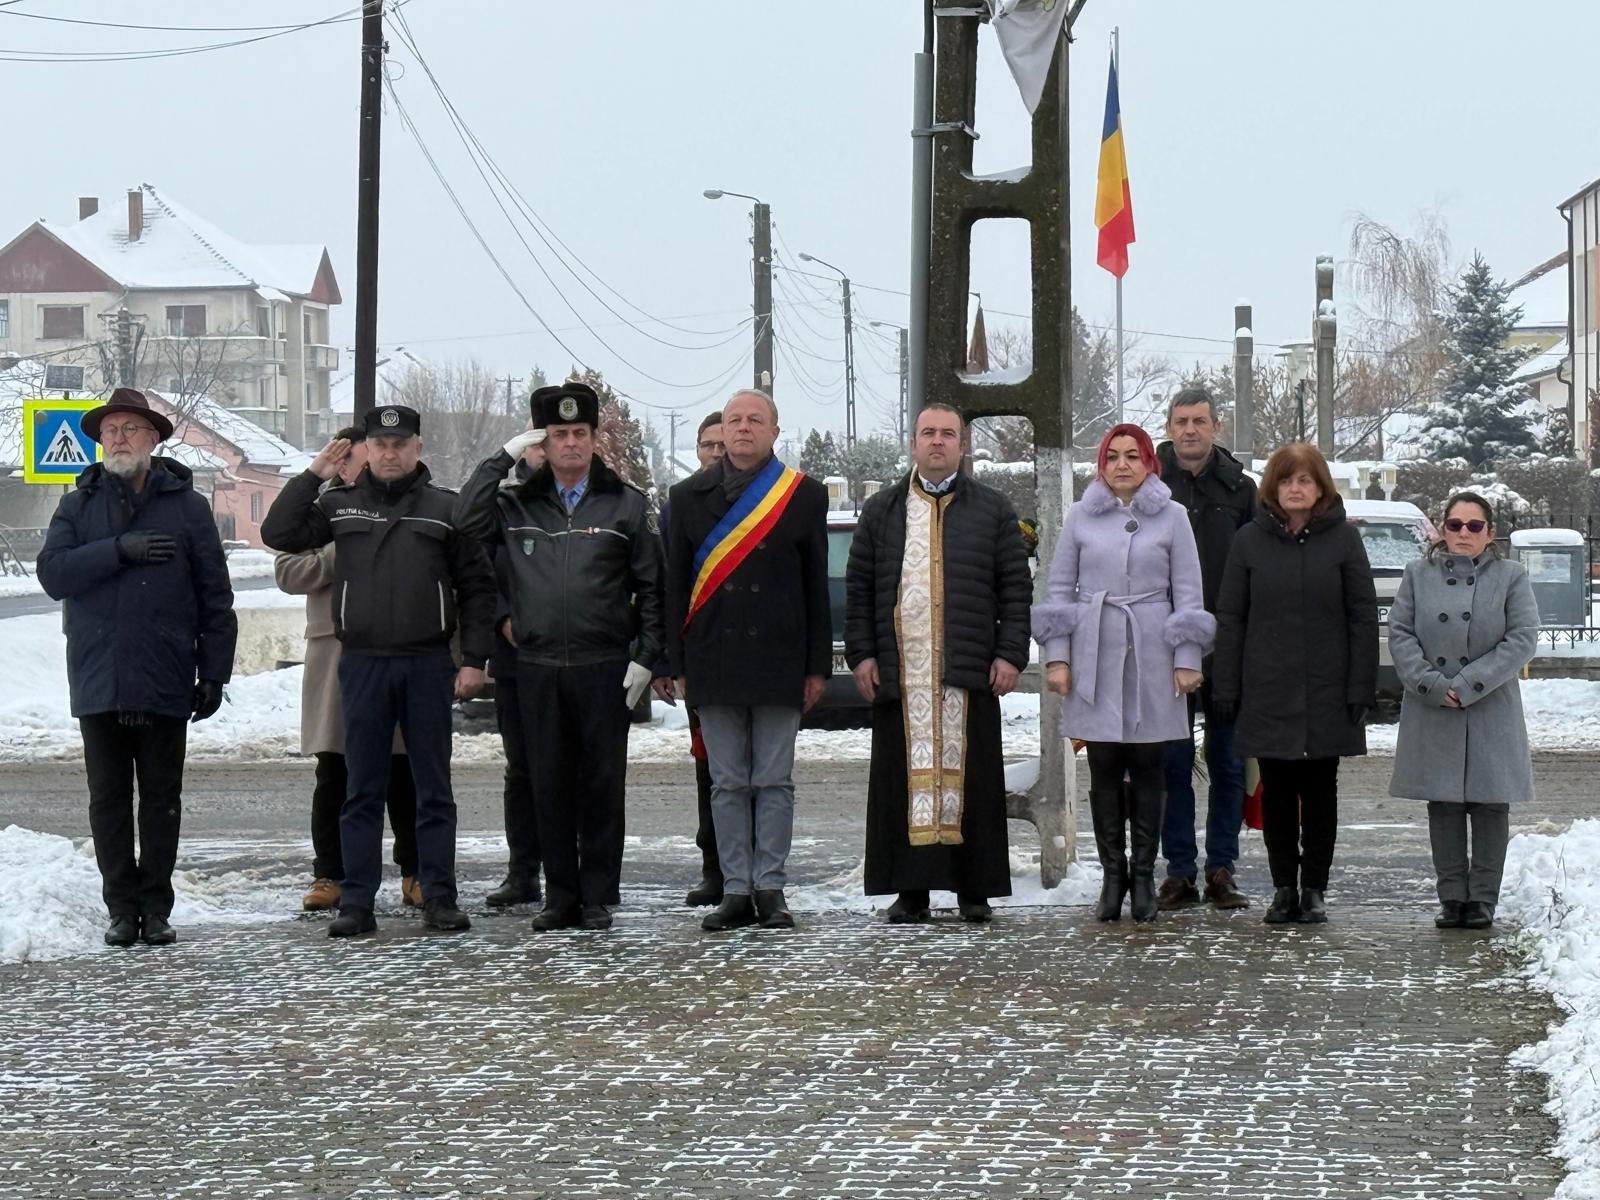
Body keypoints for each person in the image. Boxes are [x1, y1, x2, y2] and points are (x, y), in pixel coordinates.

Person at [261, 404, 495, 939]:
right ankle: (357, 903)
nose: (390, 453)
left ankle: (439, 896)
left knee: (432, 790)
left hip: (426, 664)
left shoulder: (445, 508)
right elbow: (280, 533)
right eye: (381, 444)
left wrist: (474, 660)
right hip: (361, 664)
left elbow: (478, 588)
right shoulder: (339, 506)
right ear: (367, 449)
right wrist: (315, 473)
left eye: (400, 444)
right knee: (359, 790)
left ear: (417, 449)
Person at [454, 383, 664, 932]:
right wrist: (503, 457)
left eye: (579, 433)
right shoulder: (516, 501)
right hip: (538, 668)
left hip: (603, 667)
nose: (570, 443)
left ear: (596, 438)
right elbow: (464, 523)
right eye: (557, 434)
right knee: (546, 782)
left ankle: (596, 895)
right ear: (541, 442)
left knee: (600, 783)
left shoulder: (626, 503)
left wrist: (645, 656)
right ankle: (559, 896)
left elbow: (653, 588)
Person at [37, 387, 237, 948]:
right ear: (100, 441)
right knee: (107, 799)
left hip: (166, 670)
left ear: (153, 438)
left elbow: (214, 596)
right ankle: (120, 908)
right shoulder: (78, 504)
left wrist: (214, 671)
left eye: (130, 430)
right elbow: (53, 574)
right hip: (100, 672)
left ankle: (156, 906)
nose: (119, 440)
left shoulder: (187, 507)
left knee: (160, 797)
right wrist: (119, 550)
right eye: (110, 431)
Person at [845, 403, 1032, 923]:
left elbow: (1015, 589)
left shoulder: (992, 509)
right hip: (901, 675)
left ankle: (975, 888)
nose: (937, 442)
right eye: (927, 433)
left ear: (963, 445)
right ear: (913, 443)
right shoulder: (882, 510)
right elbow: (859, 589)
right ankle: (911, 890)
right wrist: (861, 653)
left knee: (973, 784)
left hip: (967, 671)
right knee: (902, 783)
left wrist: (1010, 652)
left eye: (948, 434)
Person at [663, 389, 831, 932]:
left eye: (755, 420)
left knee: (774, 781)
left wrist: (817, 665)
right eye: (735, 420)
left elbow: (814, 585)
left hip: (780, 657)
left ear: (774, 432)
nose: (742, 429)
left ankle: (771, 888)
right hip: (713, 656)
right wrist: (673, 659)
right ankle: (735, 889)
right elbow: (673, 585)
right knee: (728, 781)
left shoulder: (803, 495)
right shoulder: (686, 497)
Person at [1033, 423, 1212, 924]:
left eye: (1133, 455)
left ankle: (1142, 877)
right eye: (1113, 456)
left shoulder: (1173, 517)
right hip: (1095, 649)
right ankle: (1112, 876)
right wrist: (1059, 658)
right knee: (1105, 765)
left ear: (1151, 462)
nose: (1123, 465)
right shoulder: (1080, 517)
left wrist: (1186, 661)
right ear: (1101, 464)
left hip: (1155, 651)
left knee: (1151, 766)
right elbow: (1060, 590)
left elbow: (1189, 593)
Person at [1212, 443, 1377, 926]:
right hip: (1268, 687)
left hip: (1328, 687)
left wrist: (1359, 687)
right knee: (1278, 791)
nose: (1296, 489)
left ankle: (1316, 889)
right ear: (1274, 488)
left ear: (1321, 486)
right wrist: (1227, 686)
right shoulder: (1249, 541)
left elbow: (1362, 617)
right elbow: (1232, 617)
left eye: (1305, 480)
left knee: (1321, 791)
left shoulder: (1344, 541)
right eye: (1287, 481)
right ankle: (1284, 887)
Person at [273, 424, 420, 914]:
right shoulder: (322, 512)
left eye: (361, 459)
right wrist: (343, 552)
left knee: (404, 769)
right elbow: (287, 570)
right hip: (333, 651)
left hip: (399, 648)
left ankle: (414, 870)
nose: (356, 469)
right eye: (347, 461)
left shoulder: (411, 500)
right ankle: (330, 873)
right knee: (334, 769)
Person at [1388, 493, 1538, 930]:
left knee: (1491, 804)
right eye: (1455, 525)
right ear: (1443, 529)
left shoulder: (1512, 577)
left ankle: (1483, 901)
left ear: (1490, 533)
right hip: (1433, 705)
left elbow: (1522, 638)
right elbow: (1400, 634)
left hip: (1491, 704)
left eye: (1474, 526)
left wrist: (1471, 682)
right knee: (1445, 803)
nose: (1464, 534)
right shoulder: (1418, 574)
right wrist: (1431, 684)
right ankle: (1452, 897)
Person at [1155, 387, 1256, 911]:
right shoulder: (1150, 485)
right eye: (1180, 421)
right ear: (1169, 428)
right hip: (1162, 649)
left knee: (1228, 763)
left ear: (1217, 426)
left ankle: (1221, 867)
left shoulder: (1242, 490)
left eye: (1199, 421)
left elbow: (1255, 573)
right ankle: (1178, 871)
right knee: (1171, 763)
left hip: (1226, 647)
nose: (1190, 430)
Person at [652, 410, 728, 907]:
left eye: (724, 445)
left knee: (759, 774)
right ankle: (714, 868)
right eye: (708, 446)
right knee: (709, 771)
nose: (716, 455)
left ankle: (759, 870)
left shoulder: (767, 499)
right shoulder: (679, 506)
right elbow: (665, 587)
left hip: (758, 661)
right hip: (702, 658)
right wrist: (664, 660)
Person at [483, 426, 547, 910]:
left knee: (580, 772)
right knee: (521, 770)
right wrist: (501, 615)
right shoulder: (504, 504)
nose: (552, 451)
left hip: (579, 655)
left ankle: (585, 873)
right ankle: (523, 872)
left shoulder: (601, 498)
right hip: (516, 658)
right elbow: (480, 564)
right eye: (542, 441)